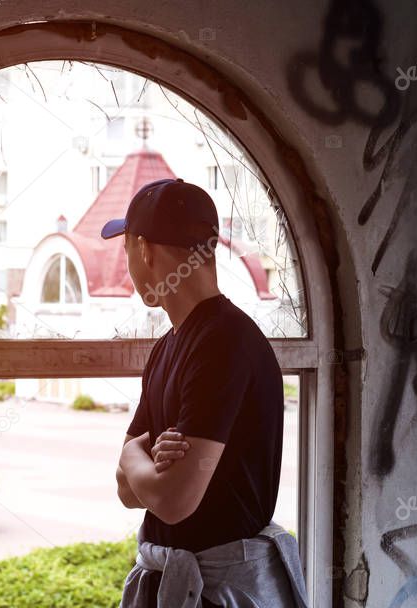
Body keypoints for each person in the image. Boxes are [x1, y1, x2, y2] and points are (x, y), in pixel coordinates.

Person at [105, 178, 309, 607]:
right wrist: (146, 470)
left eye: (127, 252)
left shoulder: (224, 342)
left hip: (221, 595)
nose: (130, 264)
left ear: (144, 250)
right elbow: (127, 492)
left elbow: (174, 500)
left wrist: (131, 457)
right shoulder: (168, 348)